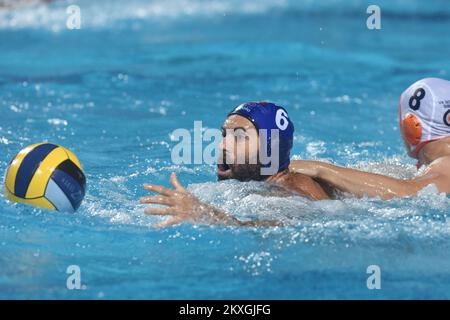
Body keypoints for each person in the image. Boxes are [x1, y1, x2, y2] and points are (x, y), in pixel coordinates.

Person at [140, 102, 330, 228]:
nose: (222, 145)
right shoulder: (264, 183)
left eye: (238, 137)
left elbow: (277, 228)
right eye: (224, 135)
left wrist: (203, 213)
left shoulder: (289, 192)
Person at [289, 78, 450, 199]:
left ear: (411, 126)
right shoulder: (438, 167)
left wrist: (322, 169)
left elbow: (409, 193)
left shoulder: (446, 162)